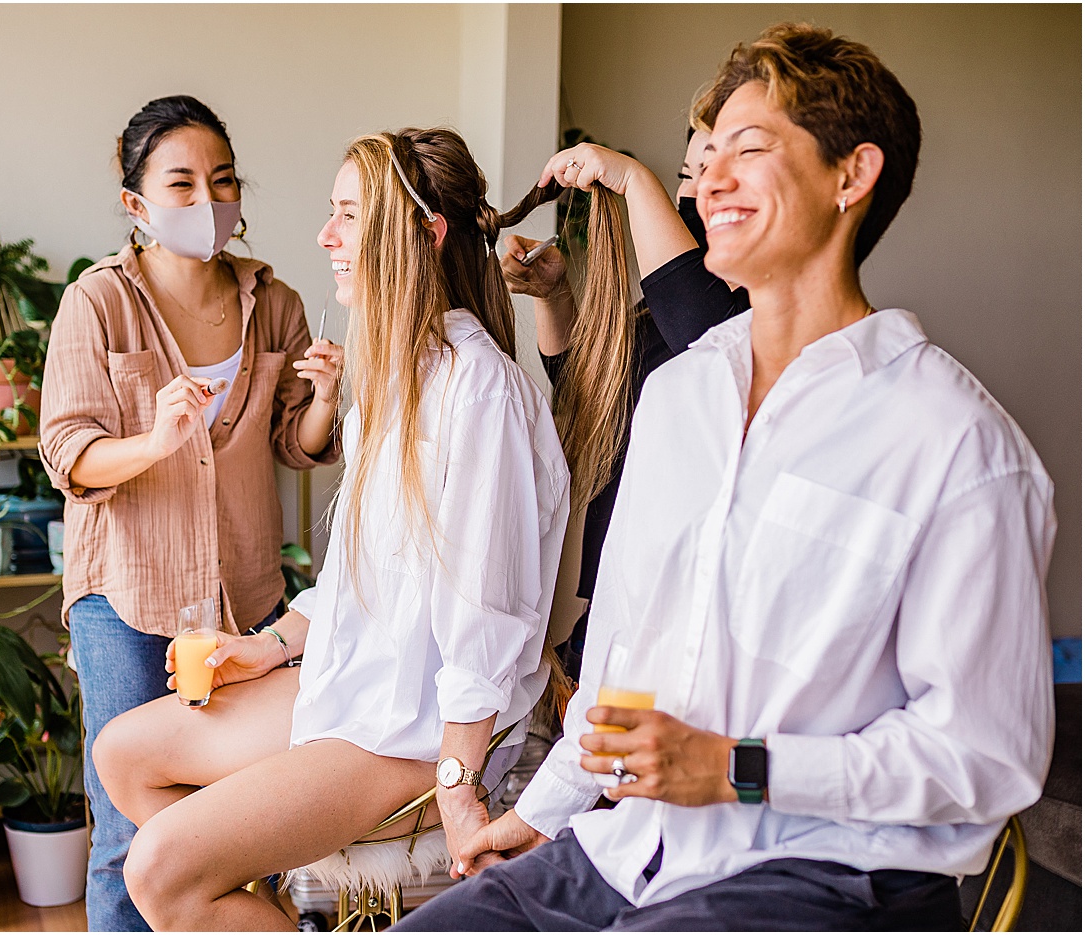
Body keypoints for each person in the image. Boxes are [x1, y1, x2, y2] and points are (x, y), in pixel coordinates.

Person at [394, 22, 1055, 931]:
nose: (709, 179)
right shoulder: (677, 399)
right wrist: (537, 815)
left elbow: (989, 754)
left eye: (749, 149)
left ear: (850, 176)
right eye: (706, 159)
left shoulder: (956, 444)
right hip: (633, 851)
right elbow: (618, 672)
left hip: (830, 871)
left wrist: (738, 768)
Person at [91, 127, 571, 932]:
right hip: (354, 683)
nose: (326, 236)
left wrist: (457, 781)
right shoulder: (399, 376)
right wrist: (271, 645)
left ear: (422, 235)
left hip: (411, 730)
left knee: (160, 869)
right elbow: (357, 576)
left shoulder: (478, 391)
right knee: (123, 751)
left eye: (348, 214)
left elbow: (485, 615)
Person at [37, 95, 342, 931]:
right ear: (137, 204)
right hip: (127, 601)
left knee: (252, 820)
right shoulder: (96, 304)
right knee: (130, 832)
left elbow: (295, 442)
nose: (208, 201)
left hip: (246, 599)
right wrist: (155, 441)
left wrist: (325, 398)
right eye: (182, 183)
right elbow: (66, 451)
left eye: (223, 179)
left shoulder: (272, 301)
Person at [499, 129, 748, 676]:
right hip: (619, 586)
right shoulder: (658, 309)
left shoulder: (749, 317)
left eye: (713, 170)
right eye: (688, 174)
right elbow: (587, 388)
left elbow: (704, 343)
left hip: (687, 610)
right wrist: (553, 296)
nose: (697, 190)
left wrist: (634, 179)